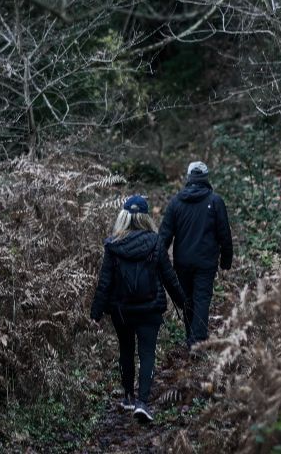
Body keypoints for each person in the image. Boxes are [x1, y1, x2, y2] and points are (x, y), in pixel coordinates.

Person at [90, 195, 187, 423]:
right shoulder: (155, 242)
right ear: (145, 217)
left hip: (121, 310)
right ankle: (143, 403)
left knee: (125, 351)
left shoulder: (113, 245)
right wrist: (183, 302)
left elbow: (105, 282)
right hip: (149, 309)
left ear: (123, 216)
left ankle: (128, 397)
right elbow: (169, 276)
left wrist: (96, 313)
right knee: (147, 355)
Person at [159, 161, 233, 348]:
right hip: (206, 262)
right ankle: (197, 341)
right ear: (206, 178)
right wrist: (226, 260)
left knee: (187, 298)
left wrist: (156, 259)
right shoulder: (215, 201)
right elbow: (224, 233)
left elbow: (164, 236)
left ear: (189, 178)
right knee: (201, 298)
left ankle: (192, 338)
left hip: (182, 262)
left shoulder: (176, 202)